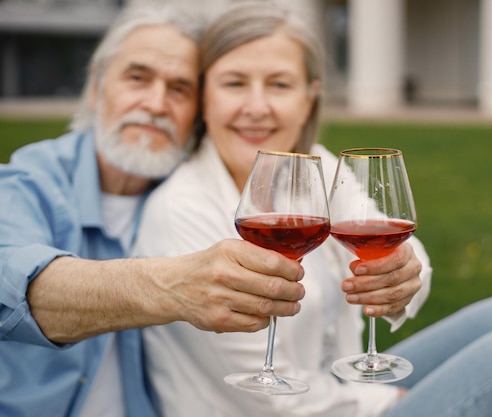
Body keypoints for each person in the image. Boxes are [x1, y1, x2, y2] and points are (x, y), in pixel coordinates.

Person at [133, 2, 492, 417]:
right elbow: (268, 399)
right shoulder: (181, 210)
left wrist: (404, 277)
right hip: (298, 410)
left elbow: (407, 253)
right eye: (235, 83)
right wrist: (387, 398)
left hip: (337, 386)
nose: (257, 106)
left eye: (279, 85)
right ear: (203, 99)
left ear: (309, 100)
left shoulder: (318, 168)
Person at [0, 4, 309, 417]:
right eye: (137, 78)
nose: (156, 103)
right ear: (95, 87)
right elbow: (18, 291)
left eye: (179, 88)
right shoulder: (27, 182)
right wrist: (169, 288)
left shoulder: (191, 195)